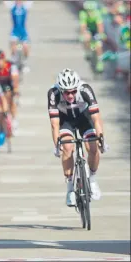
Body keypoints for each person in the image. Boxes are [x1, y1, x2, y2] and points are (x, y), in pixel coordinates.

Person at [47, 68, 108, 207]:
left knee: (92, 147)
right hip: (65, 120)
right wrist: (57, 145)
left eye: (73, 91)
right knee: (68, 148)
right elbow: (54, 124)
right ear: (61, 90)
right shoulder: (53, 93)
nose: (70, 95)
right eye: (67, 92)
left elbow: (96, 118)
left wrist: (101, 139)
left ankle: (92, 179)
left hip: (83, 118)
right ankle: (69, 189)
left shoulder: (85, 89)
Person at [5, 0, 32, 71]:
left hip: (23, 32)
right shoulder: (12, 6)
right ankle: (14, 62)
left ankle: (25, 62)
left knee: (26, 47)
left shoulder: (25, 6)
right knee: (13, 46)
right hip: (15, 31)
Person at [79, 1, 105, 72]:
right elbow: (83, 26)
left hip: (96, 30)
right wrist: (82, 34)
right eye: (88, 10)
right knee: (86, 37)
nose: (90, 12)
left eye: (91, 10)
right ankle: (88, 52)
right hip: (88, 29)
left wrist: (101, 34)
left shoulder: (97, 13)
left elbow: (100, 25)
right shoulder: (83, 14)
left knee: (98, 45)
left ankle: (100, 61)